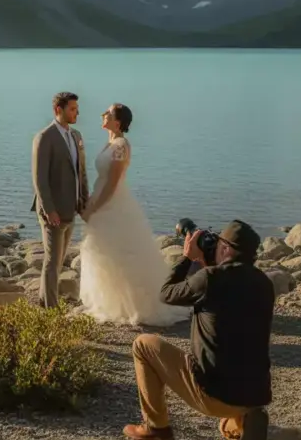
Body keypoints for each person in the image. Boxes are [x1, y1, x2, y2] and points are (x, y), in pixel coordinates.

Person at [123, 220, 275, 440]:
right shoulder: (264, 284)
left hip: (213, 394)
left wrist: (187, 258)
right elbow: (227, 294)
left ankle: (155, 429)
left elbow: (165, 293)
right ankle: (245, 421)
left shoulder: (209, 279)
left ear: (225, 248)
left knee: (143, 345)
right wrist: (207, 266)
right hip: (255, 395)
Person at [78, 104, 189, 327]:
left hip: (112, 204)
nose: (103, 114)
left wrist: (94, 207)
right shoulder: (110, 143)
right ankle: (111, 302)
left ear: (117, 122)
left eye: (108, 113)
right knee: (104, 252)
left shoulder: (121, 145)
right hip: (102, 201)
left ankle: (135, 304)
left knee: (120, 253)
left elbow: (113, 182)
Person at [30, 91, 89, 307]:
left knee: (59, 260)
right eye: (72, 109)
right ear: (58, 110)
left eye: (76, 109)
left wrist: (84, 202)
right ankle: (50, 311)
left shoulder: (76, 136)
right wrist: (49, 209)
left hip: (70, 209)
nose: (77, 113)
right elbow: (39, 179)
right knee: (52, 262)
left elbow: (81, 173)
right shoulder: (44, 138)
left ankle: (46, 302)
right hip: (52, 211)